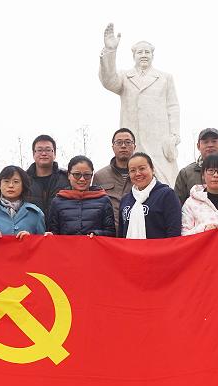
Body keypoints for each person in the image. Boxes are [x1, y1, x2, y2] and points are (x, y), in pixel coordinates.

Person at [99, 23, 180, 187]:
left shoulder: (165, 78)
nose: (144, 55)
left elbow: (173, 107)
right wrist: (110, 51)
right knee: (134, 180)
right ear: (134, 55)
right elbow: (108, 81)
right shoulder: (124, 77)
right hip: (132, 137)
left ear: (152, 55)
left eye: (147, 52)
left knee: (165, 182)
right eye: (140, 52)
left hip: (159, 139)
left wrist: (173, 136)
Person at [47, 156, 115, 237]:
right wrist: (50, 234)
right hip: (65, 245)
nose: (82, 179)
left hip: (94, 245)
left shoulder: (103, 200)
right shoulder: (58, 201)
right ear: (68, 175)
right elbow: (53, 231)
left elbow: (111, 233)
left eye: (87, 175)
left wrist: (97, 234)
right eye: (77, 174)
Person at [174, 128, 218, 205]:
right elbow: (177, 204)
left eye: (214, 141)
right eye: (205, 142)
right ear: (198, 146)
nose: (210, 145)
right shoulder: (186, 174)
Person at [119, 152, 181, 239]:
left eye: (142, 168)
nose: (137, 173)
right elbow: (121, 235)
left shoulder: (167, 195)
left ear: (152, 169)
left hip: (160, 247)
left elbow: (174, 232)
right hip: (130, 247)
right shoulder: (125, 200)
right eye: (132, 170)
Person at [0, 165, 45, 239]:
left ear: (23, 186)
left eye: (16, 182)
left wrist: (31, 238)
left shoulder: (36, 213)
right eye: (6, 181)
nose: (11, 185)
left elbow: (42, 243)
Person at [93, 128, 136, 228]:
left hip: (137, 231)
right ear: (113, 147)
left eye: (128, 142)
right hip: (110, 232)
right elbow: (94, 207)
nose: (123, 146)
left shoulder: (143, 175)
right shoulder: (100, 176)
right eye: (119, 142)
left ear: (134, 146)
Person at [25, 135, 70, 216]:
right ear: (33, 154)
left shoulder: (67, 178)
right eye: (39, 150)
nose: (44, 153)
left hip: (60, 224)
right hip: (31, 224)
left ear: (54, 153)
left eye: (48, 150)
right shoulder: (23, 180)